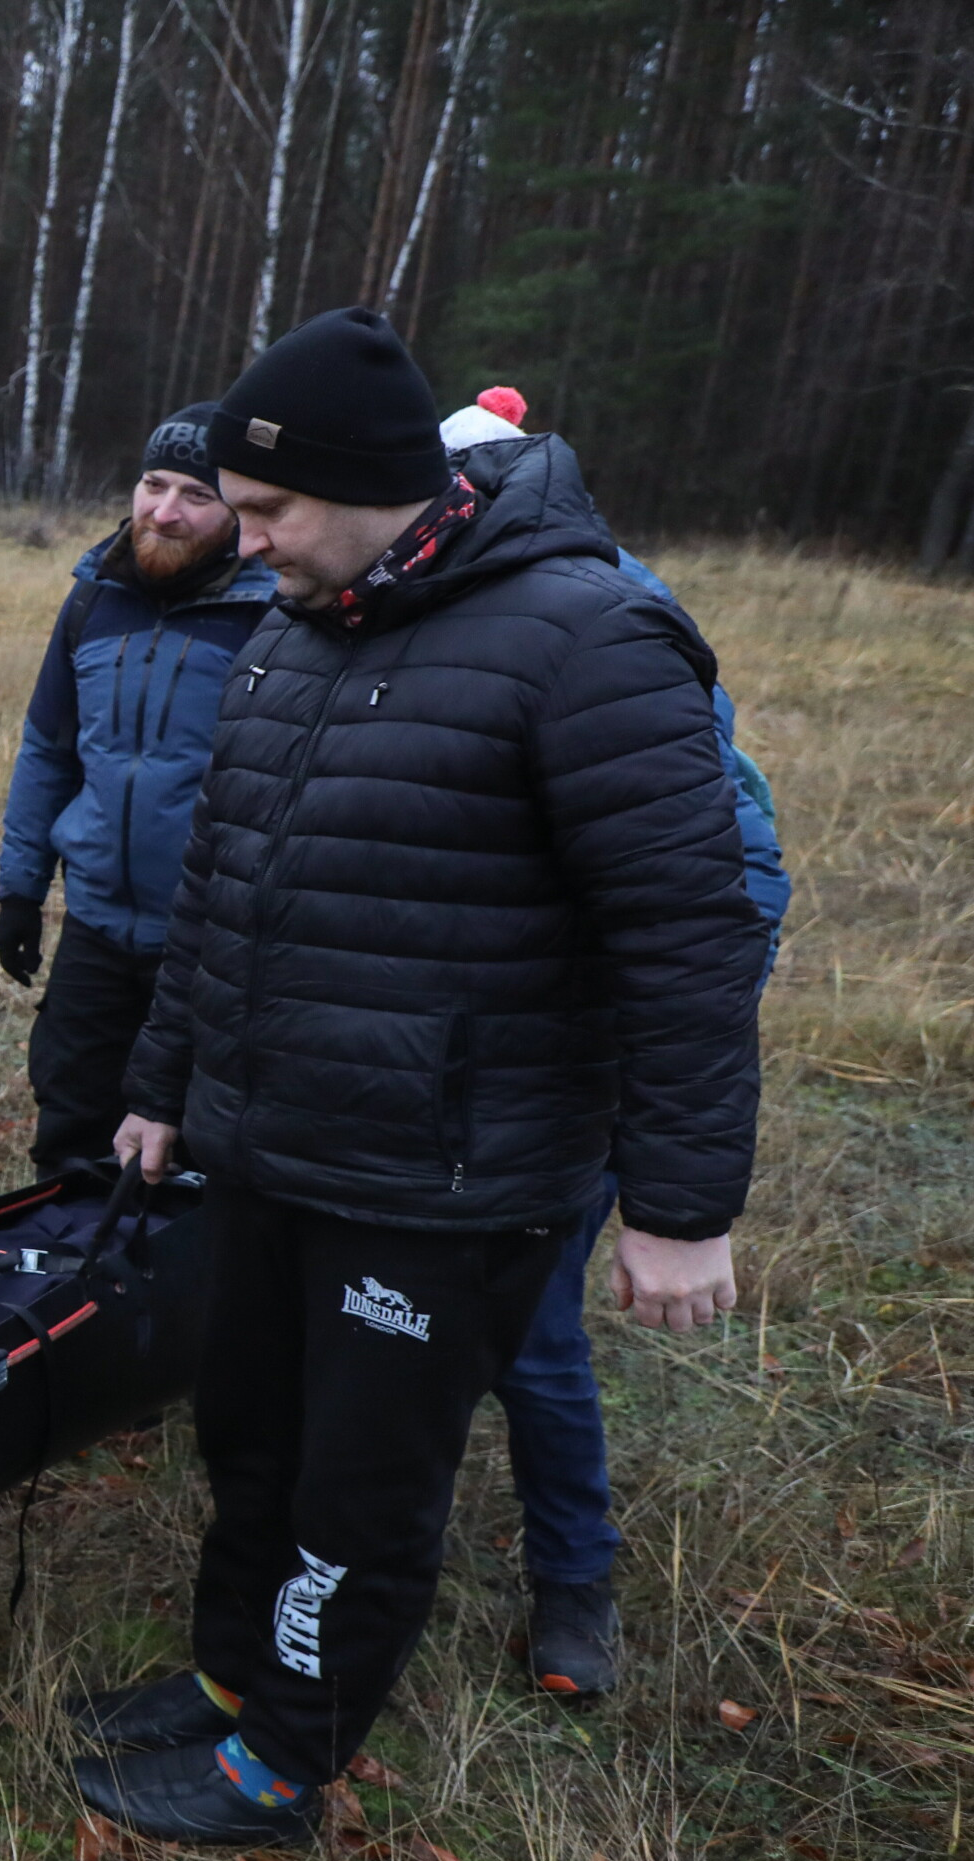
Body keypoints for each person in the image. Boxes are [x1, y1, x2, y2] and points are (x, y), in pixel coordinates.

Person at [69, 308, 768, 1846]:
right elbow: (220, 888)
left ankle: (283, 1766)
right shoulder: (299, 628)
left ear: (376, 481)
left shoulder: (591, 640)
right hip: (269, 1141)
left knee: (357, 1488)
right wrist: (166, 1075)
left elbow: (686, 936)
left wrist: (683, 1202)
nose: (243, 546)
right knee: (248, 1440)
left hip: (446, 1178)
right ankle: (234, 1685)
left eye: (267, 513)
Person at [435, 391, 792, 1697]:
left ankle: (574, 1584)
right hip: (446, 1056)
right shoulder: (415, 608)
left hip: (561, 1063)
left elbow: (702, 920)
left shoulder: (607, 630)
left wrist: (669, 1176)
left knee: (530, 1334)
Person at [0, 404, 280, 1168]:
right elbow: (47, 752)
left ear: (237, 510)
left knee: (184, 1144)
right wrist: (21, 891)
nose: (164, 511)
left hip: (206, 943)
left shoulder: (273, 617)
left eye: (196, 495)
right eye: (153, 484)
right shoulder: (91, 601)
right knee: (71, 1121)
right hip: (92, 929)